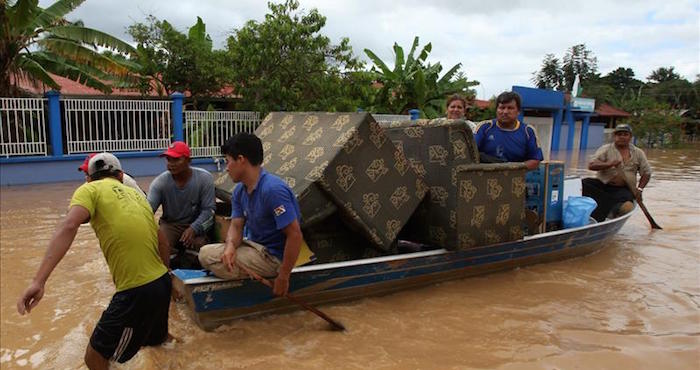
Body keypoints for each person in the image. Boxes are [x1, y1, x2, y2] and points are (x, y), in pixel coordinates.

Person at [17, 153, 171, 370]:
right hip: (162, 282)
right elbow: (162, 241)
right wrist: (166, 278)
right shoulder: (138, 196)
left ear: (89, 178)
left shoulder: (88, 190)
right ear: (119, 176)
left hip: (136, 291)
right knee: (159, 344)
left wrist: (38, 281)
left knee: (95, 357)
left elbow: (69, 226)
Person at [198, 133, 303, 296]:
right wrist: (230, 246)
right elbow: (236, 225)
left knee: (207, 256)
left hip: (272, 257)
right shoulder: (240, 190)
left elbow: (295, 235)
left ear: (241, 160)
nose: (226, 168)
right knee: (207, 253)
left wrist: (283, 277)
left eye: (228, 161)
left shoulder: (273, 190)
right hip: (253, 247)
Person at [147, 141, 215, 268]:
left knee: (200, 247)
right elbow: (147, 211)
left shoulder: (204, 179)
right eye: (168, 160)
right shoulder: (160, 183)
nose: (171, 164)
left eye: (176, 160)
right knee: (161, 245)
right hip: (170, 224)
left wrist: (194, 228)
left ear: (188, 160)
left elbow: (209, 211)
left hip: (195, 223)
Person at [583, 124, 652, 221]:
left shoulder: (638, 153)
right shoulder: (606, 149)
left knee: (627, 207)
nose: (622, 137)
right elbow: (591, 165)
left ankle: (611, 213)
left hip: (623, 189)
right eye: (619, 134)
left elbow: (646, 173)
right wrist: (609, 164)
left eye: (625, 134)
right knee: (586, 182)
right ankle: (594, 211)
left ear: (630, 137)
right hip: (604, 187)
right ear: (614, 136)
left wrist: (640, 189)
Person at [474, 91, 543, 170]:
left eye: (510, 108)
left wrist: (510, 169)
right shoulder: (484, 127)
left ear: (518, 111)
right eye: (502, 108)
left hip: (515, 178)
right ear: (496, 110)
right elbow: (471, 152)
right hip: (485, 177)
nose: (505, 112)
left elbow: (535, 160)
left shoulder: (528, 131)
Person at [78, 153, 144, 195]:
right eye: (86, 174)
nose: (87, 177)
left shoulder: (126, 180)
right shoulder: (89, 185)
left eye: (88, 173)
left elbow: (143, 199)